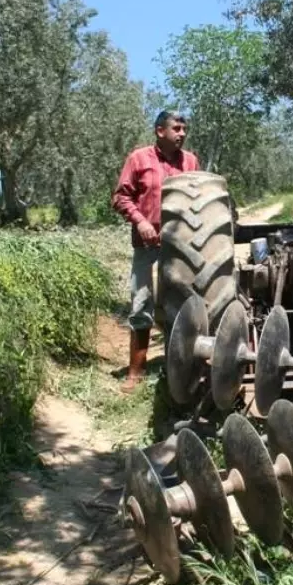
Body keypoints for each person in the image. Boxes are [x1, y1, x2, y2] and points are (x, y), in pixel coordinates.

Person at [111, 110, 200, 389]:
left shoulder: (190, 162)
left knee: (184, 302)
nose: (182, 134)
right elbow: (121, 197)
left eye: (184, 128)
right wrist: (140, 222)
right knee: (142, 302)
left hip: (182, 247)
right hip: (147, 246)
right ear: (160, 131)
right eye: (177, 128)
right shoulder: (139, 159)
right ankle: (135, 372)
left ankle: (182, 365)